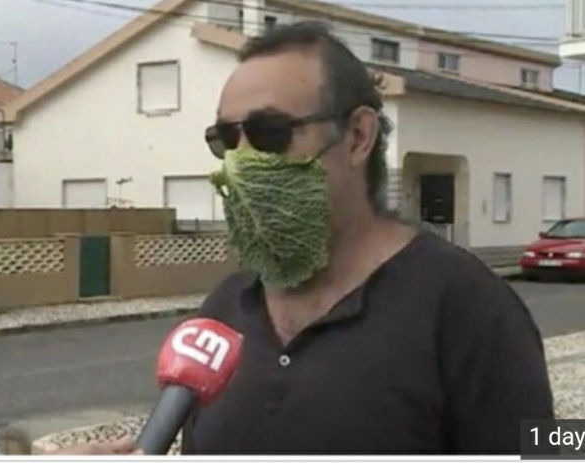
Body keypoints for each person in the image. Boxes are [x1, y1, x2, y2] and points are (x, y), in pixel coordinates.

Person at [54, 20, 554, 455]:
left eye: (270, 133)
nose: (241, 162)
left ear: (357, 137)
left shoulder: (471, 308)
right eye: (226, 140)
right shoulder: (223, 310)